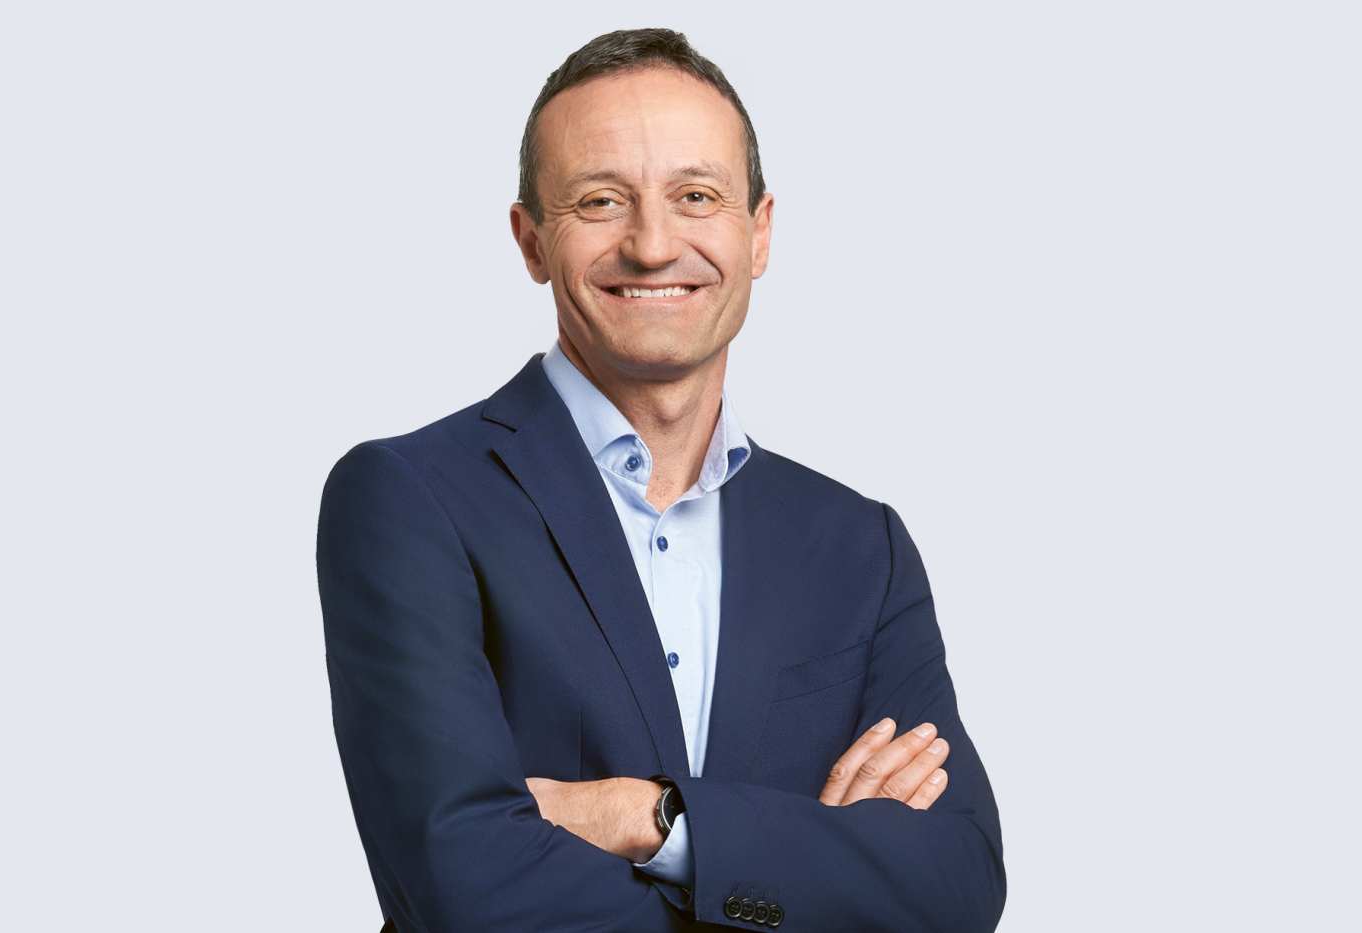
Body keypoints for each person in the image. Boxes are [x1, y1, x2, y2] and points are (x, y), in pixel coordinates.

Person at [314, 28, 1005, 932]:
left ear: (758, 233)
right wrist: (808, 869)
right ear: (531, 240)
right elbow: (461, 891)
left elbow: (956, 883)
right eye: (601, 201)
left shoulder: (858, 547)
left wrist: (650, 817)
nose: (652, 243)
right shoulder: (408, 500)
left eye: (696, 196)